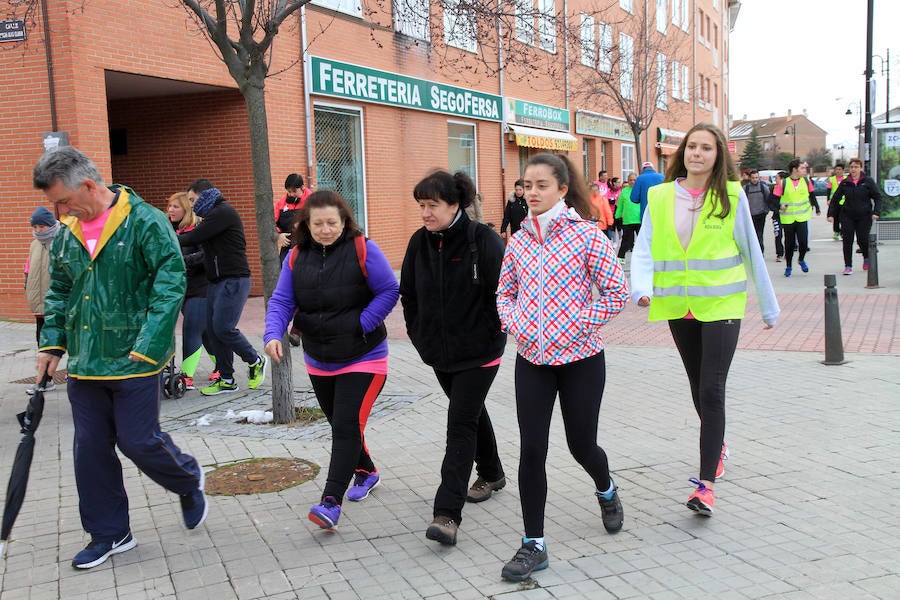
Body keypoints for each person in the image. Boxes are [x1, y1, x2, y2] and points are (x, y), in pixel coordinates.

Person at [32, 147, 207, 570]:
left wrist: (150, 343)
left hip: (134, 358)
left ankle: (187, 479)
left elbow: (170, 283)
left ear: (89, 186)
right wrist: (51, 344)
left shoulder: (144, 222)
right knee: (89, 450)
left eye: (62, 200)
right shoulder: (67, 233)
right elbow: (59, 292)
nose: (58, 209)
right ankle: (111, 534)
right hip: (87, 362)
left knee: (137, 441)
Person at [630, 123, 780, 518]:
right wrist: (641, 288)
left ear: (718, 156)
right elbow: (643, 248)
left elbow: (751, 250)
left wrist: (768, 307)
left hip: (722, 306)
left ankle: (705, 485)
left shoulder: (731, 195)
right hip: (680, 306)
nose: (697, 153)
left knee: (712, 389)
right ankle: (720, 446)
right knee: (698, 386)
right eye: (692, 146)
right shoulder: (661, 196)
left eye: (706, 148)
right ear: (683, 153)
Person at [496, 153, 628, 582]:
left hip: (581, 360)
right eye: (526, 185)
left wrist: (575, 324)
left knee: (581, 444)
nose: (531, 192)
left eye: (540, 185)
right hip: (532, 360)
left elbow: (615, 293)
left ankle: (606, 489)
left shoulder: (588, 236)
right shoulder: (518, 240)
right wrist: (517, 325)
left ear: (562, 189)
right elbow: (504, 294)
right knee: (532, 449)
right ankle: (534, 543)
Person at [264, 190, 398, 529]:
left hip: (364, 356)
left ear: (344, 221)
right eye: (318, 223)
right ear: (306, 224)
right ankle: (366, 470)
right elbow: (282, 300)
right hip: (319, 357)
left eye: (332, 223)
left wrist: (361, 324)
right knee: (342, 425)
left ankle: (330, 501)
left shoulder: (363, 248)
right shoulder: (296, 256)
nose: (325, 229)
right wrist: (271, 334)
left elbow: (388, 290)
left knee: (346, 427)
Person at [400, 170, 508, 547]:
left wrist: (493, 332)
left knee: (459, 422)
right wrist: (418, 336)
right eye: (421, 206)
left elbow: (507, 294)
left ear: (454, 205)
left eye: (432, 206)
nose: (425, 213)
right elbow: (408, 295)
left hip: (480, 352)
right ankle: (492, 473)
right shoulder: (419, 243)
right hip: (439, 353)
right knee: (471, 411)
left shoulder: (484, 241)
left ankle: (446, 513)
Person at [178, 181, 268, 395]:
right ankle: (226, 379)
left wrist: (166, 238)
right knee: (213, 329)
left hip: (233, 279)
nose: (191, 205)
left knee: (223, 328)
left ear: (203, 195)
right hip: (216, 280)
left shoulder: (222, 212)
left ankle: (255, 360)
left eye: (192, 200)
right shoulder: (210, 216)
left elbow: (194, 237)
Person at [167, 192, 214, 389]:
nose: (170, 210)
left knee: (191, 328)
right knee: (205, 333)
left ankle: (186, 376)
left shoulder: (199, 230)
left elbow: (206, 255)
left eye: (175, 207)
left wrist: (183, 262)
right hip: (181, 289)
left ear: (187, 210)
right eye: (169, 206)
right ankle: (222, 365)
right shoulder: (170, 231)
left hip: (201, 288)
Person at [24, 206, 61, 394]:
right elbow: (28, 271)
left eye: (42, 226)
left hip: (58, 303)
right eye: (36, 226)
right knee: (43, 342)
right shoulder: (34, 244)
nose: (39, 230)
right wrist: (28, 290)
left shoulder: (62, 241)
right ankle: (46, 380)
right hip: (40, 303)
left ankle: (80, 374)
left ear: (50, 225)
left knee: (66, 340)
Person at [828, 158, 882, 275]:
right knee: (847, 240)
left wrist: (876, 212)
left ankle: (866, 257)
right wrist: (831, 214)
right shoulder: (845, 182)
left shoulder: (867, 181)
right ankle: (848, 266)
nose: (853, 169)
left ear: (860, 168)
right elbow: (835, 199)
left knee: (863, 239)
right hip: (847, 216)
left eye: (856, 167)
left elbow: (878, 197)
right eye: (852, 167)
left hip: (864, 216)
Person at [771, 159, 817, 277]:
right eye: (802, 168)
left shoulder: (806, 181)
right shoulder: (783, 183)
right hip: (788, 219)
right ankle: (789, 266)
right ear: (795, 170)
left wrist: (817, 207)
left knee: (803, 243)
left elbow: (812, 196)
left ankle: (801, 259)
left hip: (802, 217)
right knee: (789, 244)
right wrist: (780, 206)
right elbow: (772, 201)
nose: (804, 170)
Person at [274, 173, 312, 262]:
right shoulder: (281, 203)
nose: (291, 195)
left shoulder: (313, 201)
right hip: (288, 248)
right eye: (289, 192)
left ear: (302, 187)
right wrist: (279, 235)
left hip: (308, 247)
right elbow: (272, 223)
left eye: (294, 191)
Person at [742, 170, 772, 253]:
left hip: (761, 214)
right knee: (751, 234)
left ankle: (760, 252)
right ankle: (753, 251)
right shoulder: (746, 188)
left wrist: (766, 211)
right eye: (753, 178)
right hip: (750, 215)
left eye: (756, 177)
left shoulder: (763, 187)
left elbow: (768, 199)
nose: (755, 179)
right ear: (750, 178)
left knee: (759, 234)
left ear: (759, 178)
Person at [615, 173, 640, 266]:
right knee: (626, 241)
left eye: (634, 180)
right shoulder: (624, 191)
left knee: (643, 242)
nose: (632, 182)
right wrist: (617, 215)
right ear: (628, 181)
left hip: (639, 220)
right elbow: (620, 204)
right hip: (628, 220)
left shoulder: (641, 190)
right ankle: (620, 258)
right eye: (630, 180)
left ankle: (644, 259)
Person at [826, 163, 847, 241]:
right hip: (834, 201)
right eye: (837, 169)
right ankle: (836, 231)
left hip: (844, 201)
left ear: (843, 170)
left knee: (844, 218)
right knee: (836, 218)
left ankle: (843, 232)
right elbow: (828, 190)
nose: (838, 171)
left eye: (840, 169)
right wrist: (828, 199)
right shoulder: (832, 179)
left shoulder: (846, 179)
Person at [772, 172, 787, 262]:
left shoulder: (788, 189)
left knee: (788, 235)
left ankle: (788, 252)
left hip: (788, 216)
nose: (775, 180)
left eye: (777, 178)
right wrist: (777, 208)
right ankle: (779, 253)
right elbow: (771, 202)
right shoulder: (774, 189)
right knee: (778, 234)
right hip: (777, 216)